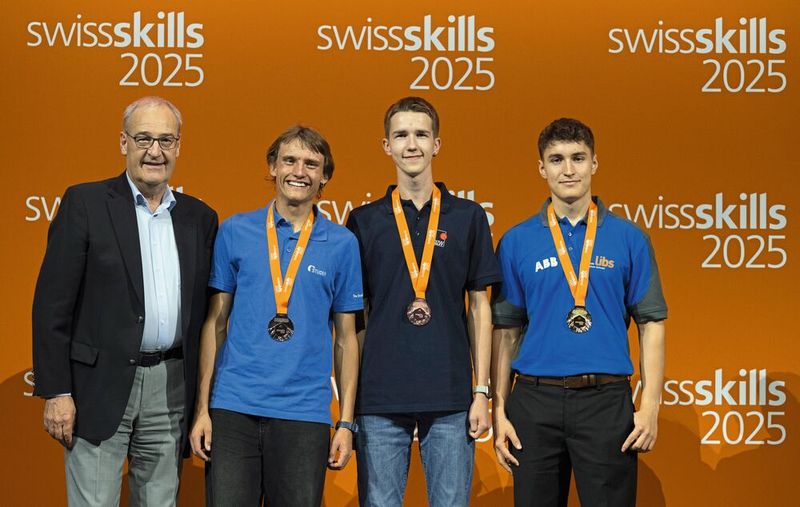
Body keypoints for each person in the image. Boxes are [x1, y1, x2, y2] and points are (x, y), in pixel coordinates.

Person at [32, 96, 218, 506]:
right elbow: (51, 304)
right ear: (123, 143)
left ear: (179, 146)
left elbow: (206, 316)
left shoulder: (200, 218)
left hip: (170, 387)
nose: (156, 151)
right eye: (144, 138)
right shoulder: (86, 204)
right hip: (97, 387)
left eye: (166, 140)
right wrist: (57, 391)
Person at [491, 117, 667, 506]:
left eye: (577, 158)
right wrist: (499, 410)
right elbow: (505, 332)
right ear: (541, 168)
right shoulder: (516, 241)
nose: (568, 170)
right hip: (534, 401)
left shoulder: (630, 238)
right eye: (556, 159)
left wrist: (650, 405)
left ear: (594, 164)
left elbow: (651, 324)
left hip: (605, 401)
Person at [190, 125, 362, 506]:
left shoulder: (342, 244)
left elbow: (348, 339)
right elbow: (215, 324)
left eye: (311, 164)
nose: (299, 171)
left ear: (325, 177)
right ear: (272, 166)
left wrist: (346, 422)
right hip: (234, 409)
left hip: (304, 414)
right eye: (289, 160)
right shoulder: (235, 230)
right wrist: (202, 409)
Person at [346, 97, 501, 506]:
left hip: (450, 395)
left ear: (437, 144)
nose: (411, 144)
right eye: (401, 135)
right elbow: (353, 319)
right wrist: (350, 401)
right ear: (386, 146)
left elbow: (480, 307)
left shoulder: (469, 217)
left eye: (420, 134)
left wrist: (481, 391)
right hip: (379, 396)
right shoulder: (363, 221)